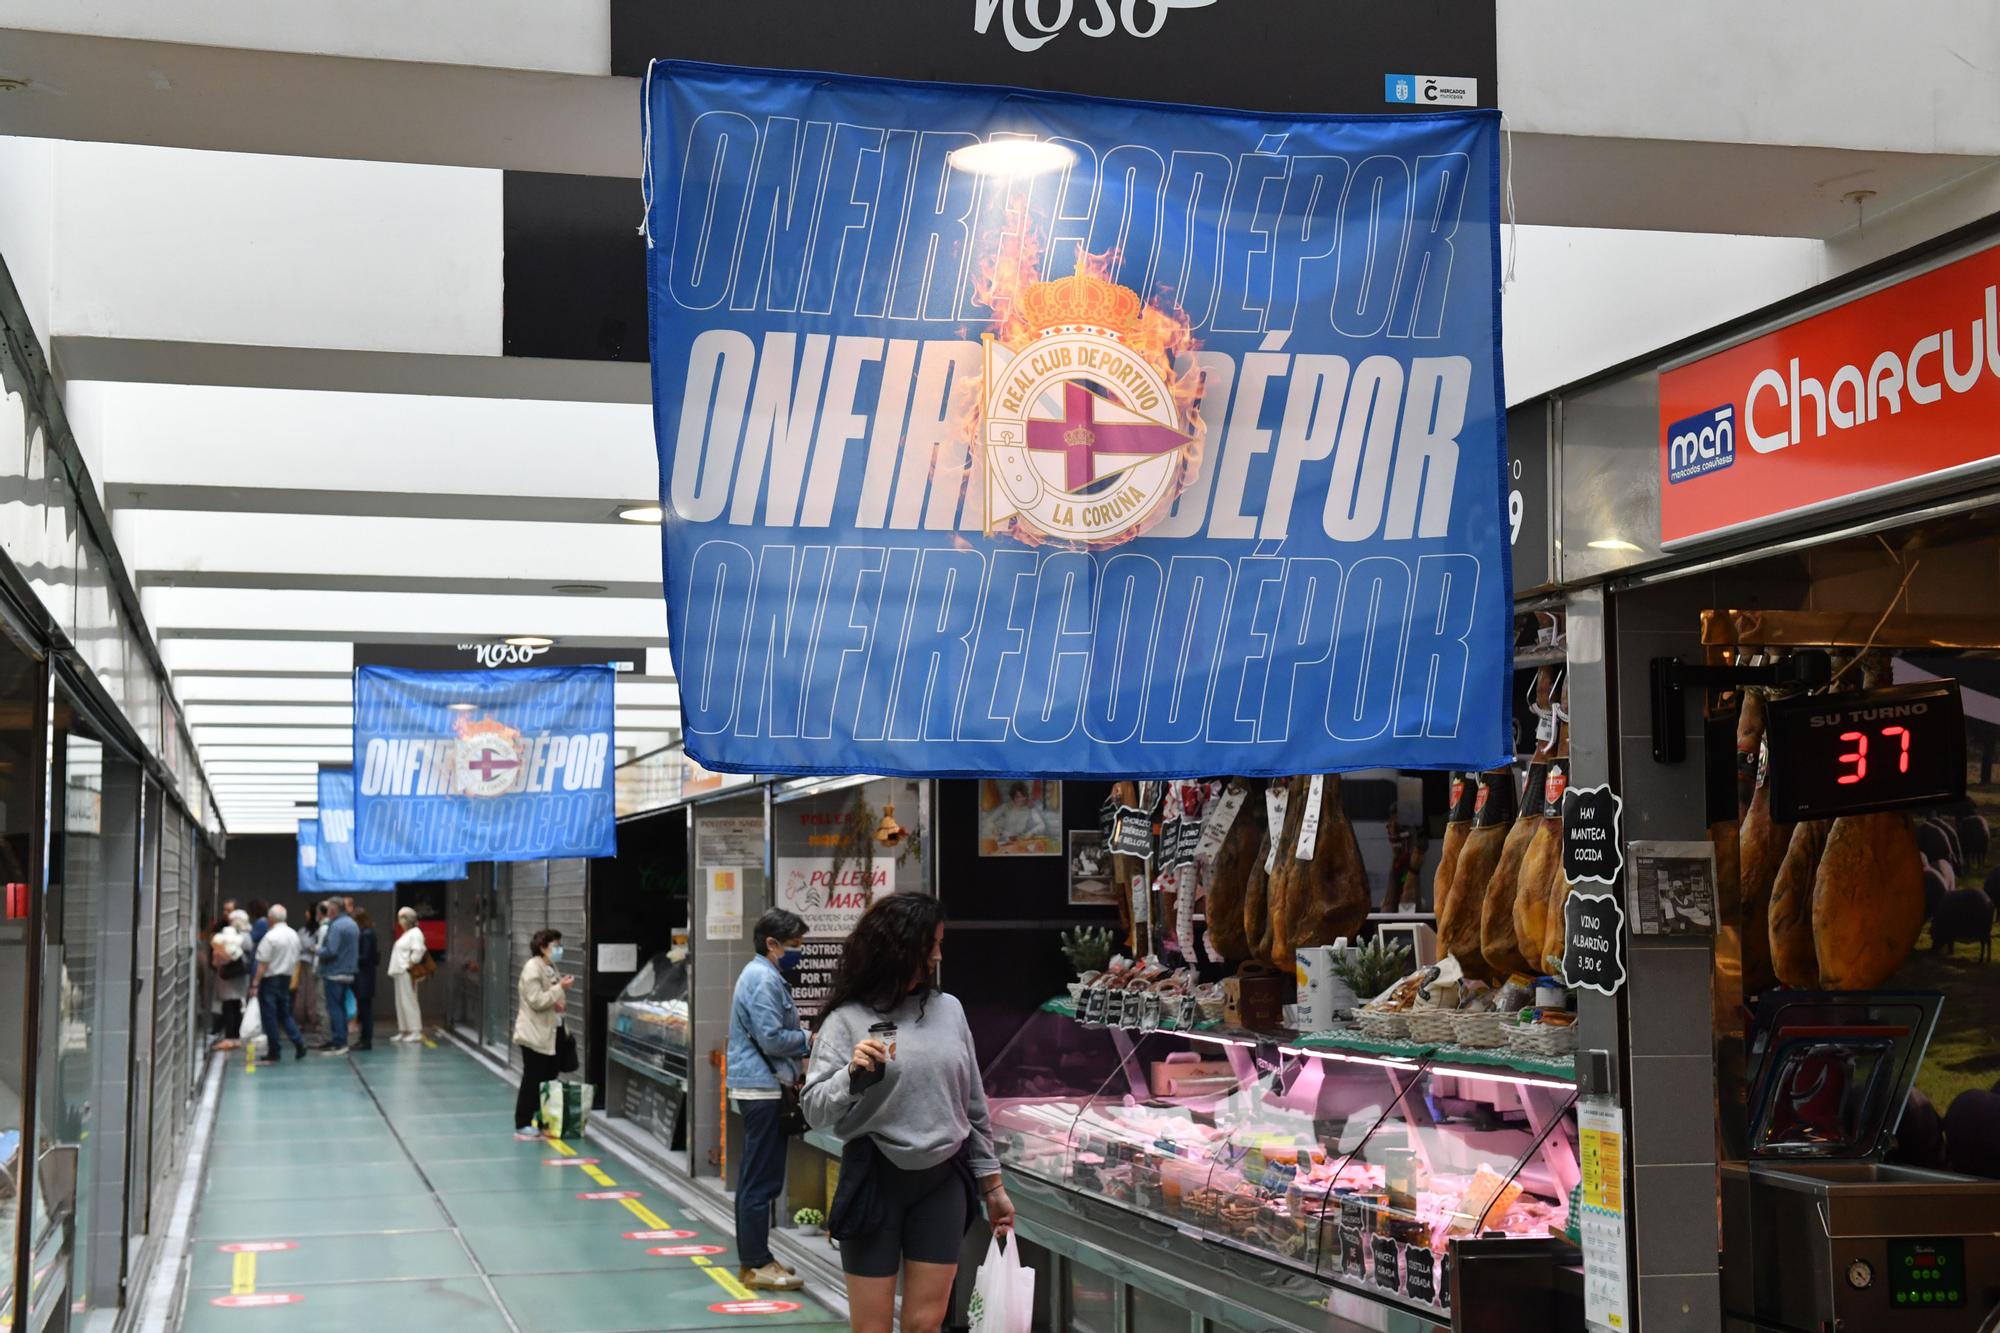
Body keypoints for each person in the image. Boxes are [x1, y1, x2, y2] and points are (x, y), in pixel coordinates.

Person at [803, 894, 1013, 1333]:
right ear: (895, 949)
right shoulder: (846, 1019)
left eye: (939, 943)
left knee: (925, 1324)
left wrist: (992, 1184)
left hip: (943, 1183)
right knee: (873, 1327)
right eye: (928, 945)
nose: (938, 955)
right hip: (875, 1179)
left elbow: (972, 1103)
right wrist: (851, 1077)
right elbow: (814, 1110)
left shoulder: (949, 1010)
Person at [728, 908, 810, 1293]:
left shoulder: (764, 974)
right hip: (762, 1089)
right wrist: (813, 1039)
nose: (800, 951)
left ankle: (758, 1257)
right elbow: (773, 1038)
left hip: (763, 1085)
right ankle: (754, 1263)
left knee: (759, 1178)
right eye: (794, 945)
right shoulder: (762, 978)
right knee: (760, 1181)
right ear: (771, 943)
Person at [513, 929, 572, 1135]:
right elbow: (536, 1000)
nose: (559, 950)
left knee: (548, 1077)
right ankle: (523, 1122)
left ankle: (541, 1117)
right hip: (534, 1033)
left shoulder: (549, 966)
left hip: (551, 1030)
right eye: (555, 946)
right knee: (533, 1077)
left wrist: (558, 1001)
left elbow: (550, 996)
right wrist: (560, 989)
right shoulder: (532, 969)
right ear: (542, 947)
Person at [252, 904, 308, 1063]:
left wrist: (255, 983)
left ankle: (274, 1051)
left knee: (270, 1016)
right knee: (285, 1014)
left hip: (270, 980)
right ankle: (299, 1043)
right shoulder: (294, 935)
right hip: (286, 979)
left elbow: (262, 963)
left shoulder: (270, 937)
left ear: (271, 918)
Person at [316, 898, 360, 1054]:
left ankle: (339, 1042)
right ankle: (341, 1040)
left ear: (334, 910)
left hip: (334, 973)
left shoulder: (335, 926)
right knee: (341, 1007)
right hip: (349, 972)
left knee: (334, 1008)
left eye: (328, 908)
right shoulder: (352, 924)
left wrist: (316, 950)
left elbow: (331, 951)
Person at [209, 910, 252, 1050]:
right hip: (240, 976)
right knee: (236, 1006)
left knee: (228, 1007)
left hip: (228, 976)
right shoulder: (247, 936)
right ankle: (235, 1037)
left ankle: (230, 1037)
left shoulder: (232, 936)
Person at [387, 907, 428, 1042]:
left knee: (409, 1001)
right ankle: (404, 1030)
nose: (399, 921)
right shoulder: (407, 933)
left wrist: (410, 963)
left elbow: (419, 950)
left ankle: (415, 1030)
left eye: (400, 918)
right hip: (400, 972)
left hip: (406, 972)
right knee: (401, 1002)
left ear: (406, 919)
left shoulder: (415, 933)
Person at [353, 908, 381, 1051]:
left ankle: (366, 1040)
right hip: (367, 975)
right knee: (365, 1010)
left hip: (363, 977)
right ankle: (364, 1039)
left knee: (365, 1011)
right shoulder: (369, 933)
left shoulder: (366, 934)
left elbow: (364, 956)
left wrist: (352, 959)